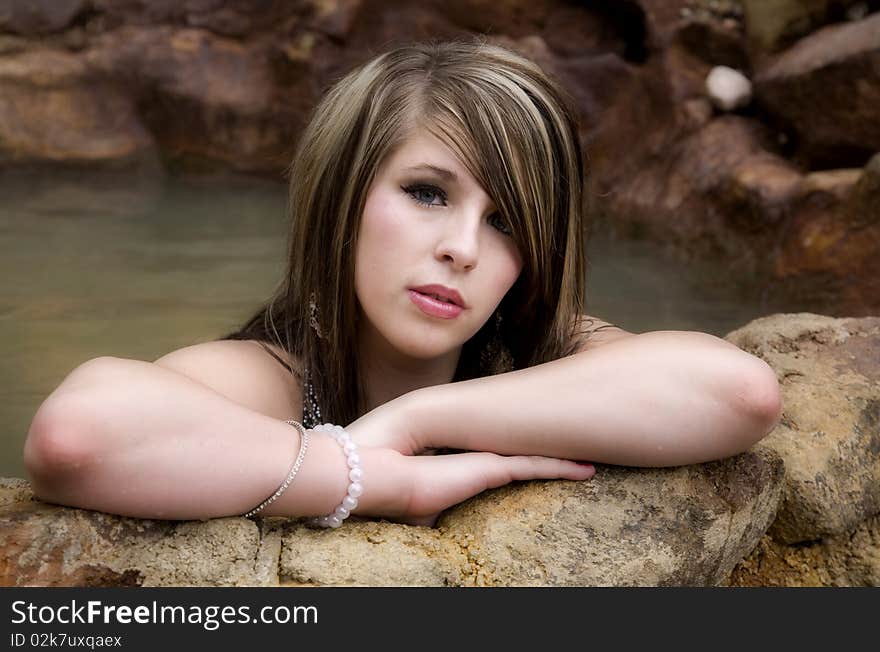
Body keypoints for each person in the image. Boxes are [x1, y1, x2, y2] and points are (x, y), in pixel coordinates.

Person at [22, 38, 782, 528]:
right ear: (343, 197)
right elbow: (76, 436)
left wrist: (421, 417)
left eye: (506, 222)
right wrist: (361, 474)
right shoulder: (272, 374)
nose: (462, 249)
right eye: (427, 192)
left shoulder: (536, 345)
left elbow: (739, 393)